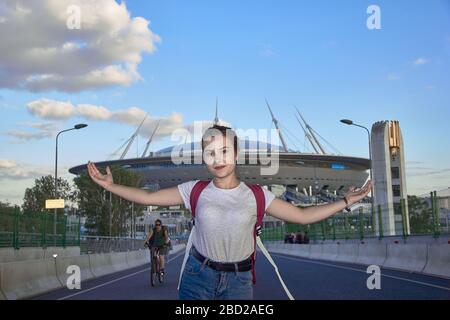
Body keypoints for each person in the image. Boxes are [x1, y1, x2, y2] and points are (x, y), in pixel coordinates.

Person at [87, 124, 371, 300]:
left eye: (224, 151)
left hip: (239, 281)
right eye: (211, 154)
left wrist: (345, 201)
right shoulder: (193, 190)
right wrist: (110, 186)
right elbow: (148, 196)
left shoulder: (257, 195)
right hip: (197, 276)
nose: (218, 159)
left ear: (236, 154)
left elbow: (302, 215)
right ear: (204, 160)